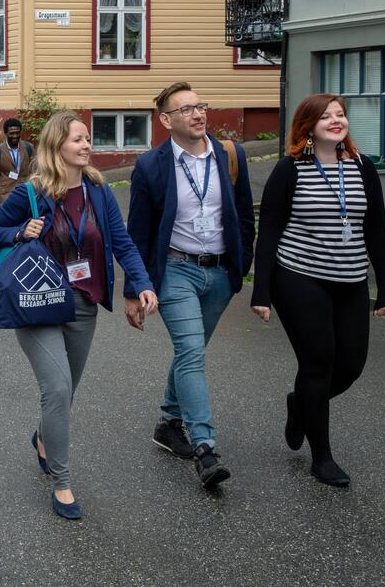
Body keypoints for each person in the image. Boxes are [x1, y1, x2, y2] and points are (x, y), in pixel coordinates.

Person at [0, 111, 156, 520]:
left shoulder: (98, 189)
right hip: (38, 300)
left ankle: (44, 437)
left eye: (87, 139)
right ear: (57, 145)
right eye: (77, 139)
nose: (86, 145)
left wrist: (143, 282)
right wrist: (19, 232)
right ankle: (61, 482)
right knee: (57, 390)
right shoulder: (31, 192)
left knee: (67, 390)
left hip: (82, 303)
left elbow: (123, 243)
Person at [251, 94, 385, 488]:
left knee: (350, 366)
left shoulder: (363, 167)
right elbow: (268, 234)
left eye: (341, 114)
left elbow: (376, 233)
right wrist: (260, 292)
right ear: (308, 126)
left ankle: (300, 405)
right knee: (319, 362)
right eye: (327, 116)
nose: (337, 120)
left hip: (350, 280)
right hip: (299, 277)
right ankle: (323, 458)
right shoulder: (291, 169)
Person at [124, 82, 255, 490]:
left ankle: (168, 421)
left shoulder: (230, 155)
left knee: (191, 350)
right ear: (166, 120)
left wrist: (242, 264)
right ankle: (205, 448)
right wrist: (134, 289)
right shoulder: (150, 167)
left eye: (200, 106)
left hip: (219, 273)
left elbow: (245, 214)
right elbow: (138, 235)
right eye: (186, 110)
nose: (198, 114)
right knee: (191, 352)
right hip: (176, 271)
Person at [0, 118, 35, 211]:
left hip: (25, 197)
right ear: (5, 133)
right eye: (12, 133)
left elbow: (35, 173)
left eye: (17, 133)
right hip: (5, 198)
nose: (15, 136)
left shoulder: (28, 148)